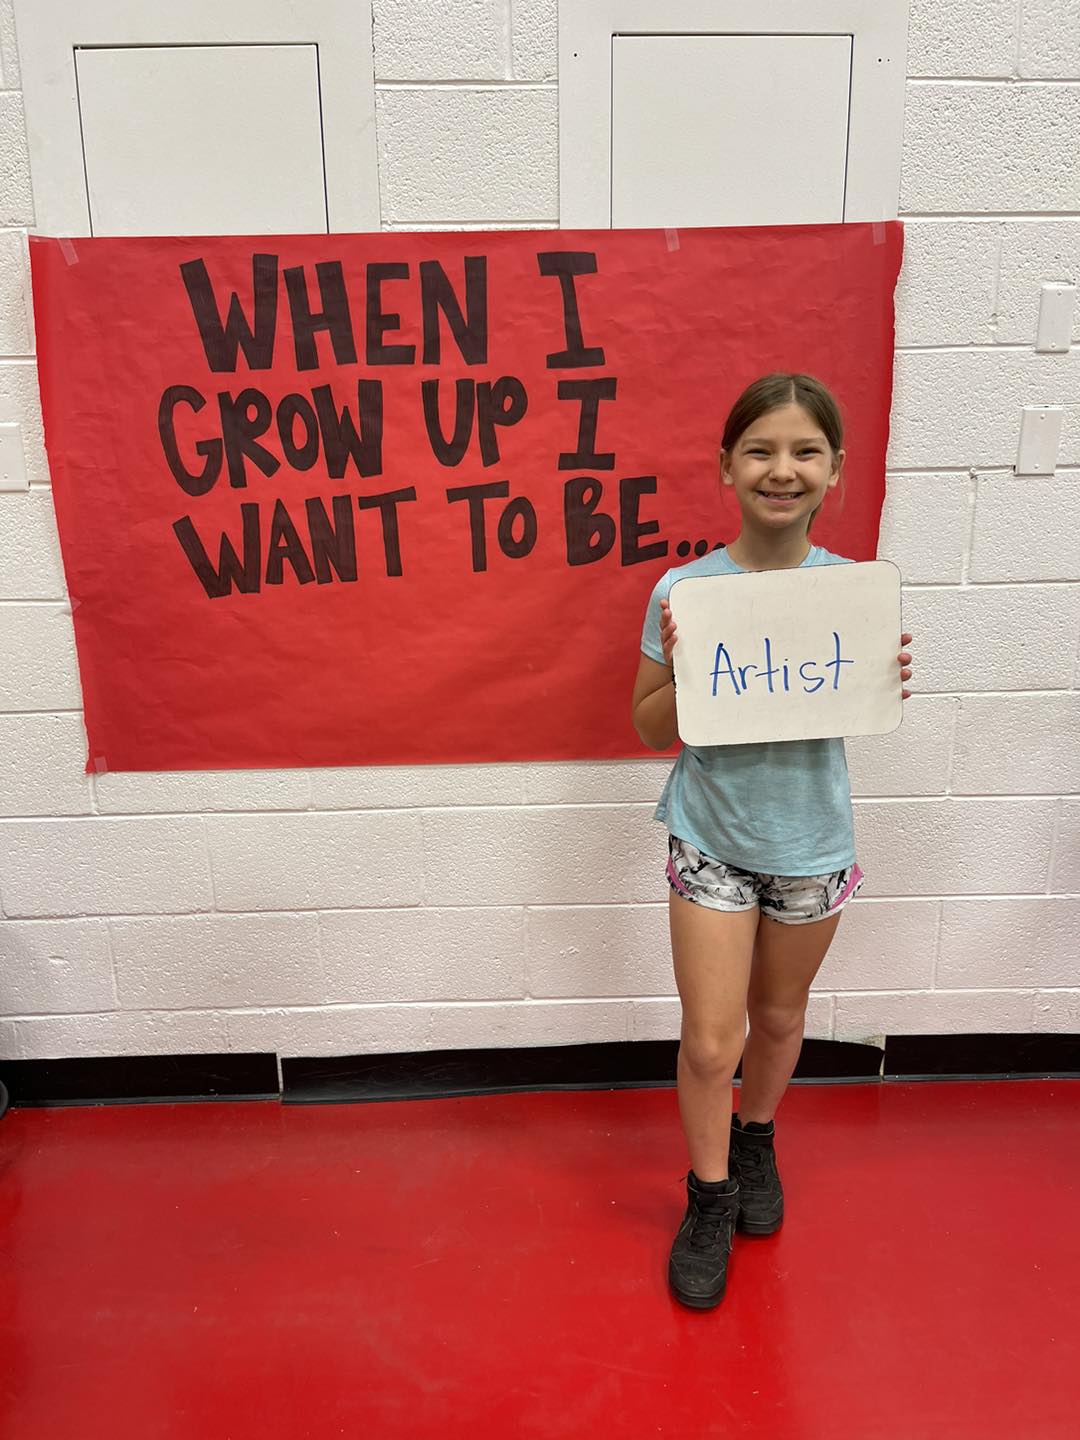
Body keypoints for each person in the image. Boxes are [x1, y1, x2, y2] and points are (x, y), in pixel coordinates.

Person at [631, 372, 914, 1310]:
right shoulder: (685, 591)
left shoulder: (853, 593)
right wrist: (683, 664)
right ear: (725, 466)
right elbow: (645, 724)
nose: (780, 469)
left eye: (804, 452)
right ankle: (708, 1194)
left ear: (835, 471)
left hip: (811, 842)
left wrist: (883, 674)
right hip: (711, 837)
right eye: (759, 450)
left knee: (781, 1020)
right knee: (713, 1042)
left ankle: (757, 1139)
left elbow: (861, 705)